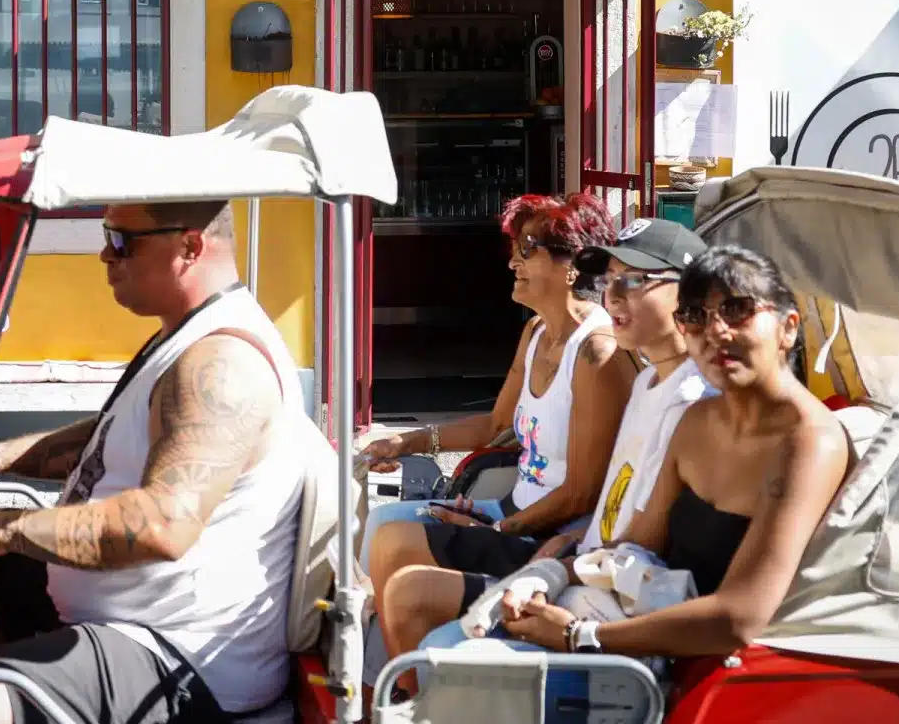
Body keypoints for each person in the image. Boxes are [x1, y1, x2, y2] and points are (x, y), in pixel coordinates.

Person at [389, 245, 852, 692]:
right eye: (696, 316)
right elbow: (632, 542)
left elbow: (739, 616)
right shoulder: (696, 421)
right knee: (435, 640)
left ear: (789, 327)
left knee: (452, 662)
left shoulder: (809, 440)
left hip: (678, 661)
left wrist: (578, 636)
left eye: (736, 310)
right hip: (623, 609)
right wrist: (546, 576)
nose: (716, 333)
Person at [0, 200, 306, 724]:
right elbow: (112, 439)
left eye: (121, 242)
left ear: (189, 247)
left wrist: (6, 528)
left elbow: (162, 525)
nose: (103, 256)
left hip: (183, 658)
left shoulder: (221, 364)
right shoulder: (185, 335)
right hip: (138, 618)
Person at [379, 218, 717, 664]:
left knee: (423, 617)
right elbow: (615, 498)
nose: (613, 295)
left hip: (604, 601)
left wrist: (546, 558)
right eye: (611, 279)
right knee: (399, 570)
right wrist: (570, 540)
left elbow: (637, 531)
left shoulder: (688, 400)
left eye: (635, 280)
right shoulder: (650, 379)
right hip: (576, 561)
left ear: (690, 296)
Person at [356, 195, 657, 610]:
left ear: (571, 266)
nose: (513, 263)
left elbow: (581, 495)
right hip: (513, 511)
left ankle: (392, 666)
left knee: (395, 542)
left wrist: (495, 528)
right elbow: (497, 425)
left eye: (527, 250)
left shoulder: (596, 354)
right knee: (381, 521)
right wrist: (404, 443)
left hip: (551, 537)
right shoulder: (535, 332)